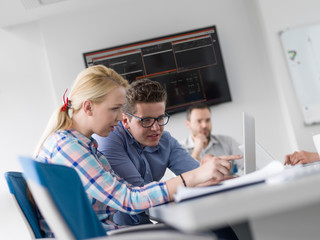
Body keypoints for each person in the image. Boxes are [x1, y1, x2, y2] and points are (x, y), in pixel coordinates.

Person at [33, 65, 235, 235]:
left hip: (111, 231)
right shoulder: (68, 147)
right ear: (88, 107)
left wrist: (204, 174)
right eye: (115, 109)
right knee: (210, 232)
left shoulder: (81, 145)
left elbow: (127, 193)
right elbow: (129, 199)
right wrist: (193, 177)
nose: (121, 117)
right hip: (109, 234)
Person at [93, 78, 242, 226]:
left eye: (160, 118)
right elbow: (139, 196)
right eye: (146, 120)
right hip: (117, 230)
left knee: (217, 224)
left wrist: (208, 169)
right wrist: (197, 177)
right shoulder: (108, 138)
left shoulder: (165, 141)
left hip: (150, 224)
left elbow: (199, 177)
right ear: (125, 121)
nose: (156, 128)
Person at [180, 103, 244, 176]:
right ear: (188, 124)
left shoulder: (227, 141)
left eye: (207, 120)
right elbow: (182, 180)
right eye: (199, 121)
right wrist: (197, 151)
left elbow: (247, 164)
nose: (204, 125)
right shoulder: (179, 149)